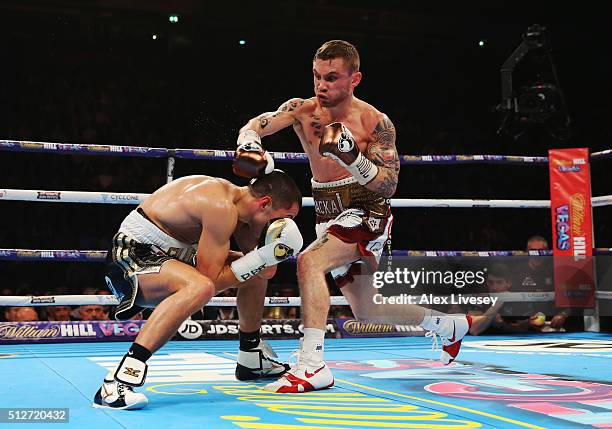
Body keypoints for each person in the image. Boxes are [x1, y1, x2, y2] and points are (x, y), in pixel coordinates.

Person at [233, 40, 481, 393]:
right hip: (327, 212)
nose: (321, 85)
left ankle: (312, 364)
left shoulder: (375, 123)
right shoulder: (302, 111)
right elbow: (257, 124)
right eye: (317, 76)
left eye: (331, 77)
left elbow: (389, 184)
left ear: (355, 79)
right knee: (367, 311)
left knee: (309, 262)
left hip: (367, 210)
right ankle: (449, 326)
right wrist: (250, 142)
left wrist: (353, 159)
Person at [93, 171, 303, 409]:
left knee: (252, 270)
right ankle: (116, 381)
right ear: (265, 203)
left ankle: (251, 356)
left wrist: (270, 252)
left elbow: (265, 272)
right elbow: (208, 281)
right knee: (201, 287)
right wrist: (260, 258)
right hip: (133, 255)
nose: (285, 226)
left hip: (174, 257)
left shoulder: (243, 216)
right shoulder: (220, 207)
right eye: (285, 218)